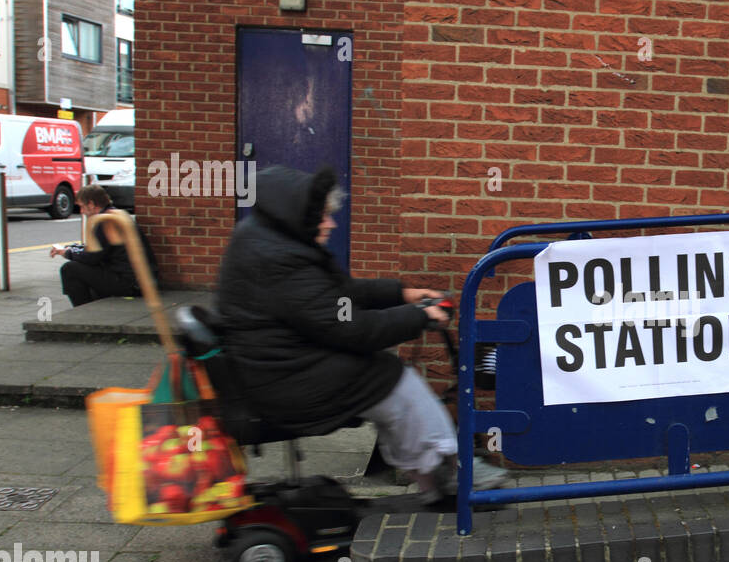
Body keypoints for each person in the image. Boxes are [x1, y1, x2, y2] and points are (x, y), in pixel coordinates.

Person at [215, 164, 506, 503]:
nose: (331, 223)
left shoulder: (270, 239)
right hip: (284, 383)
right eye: (323, 216)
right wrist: (417, 316)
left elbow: (337, 296)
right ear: (301, 215)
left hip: (275, 368)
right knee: (388, 377)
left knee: (382, 379)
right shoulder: (278, 260)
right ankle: (452, 470)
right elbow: (351, 329)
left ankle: (434, 474)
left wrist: (401, 294)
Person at [50, 184, 152, 306]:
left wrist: (67, 253)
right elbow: (96, 249)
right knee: (89, 271)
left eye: (82, 207)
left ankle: (83, 310)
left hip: (130, 283)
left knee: (69, 269)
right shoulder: (116, 214)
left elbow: (92, 257)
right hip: (141, 280)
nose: (82, 212)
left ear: (91, 204)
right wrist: (72, 248)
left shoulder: (105, 222)